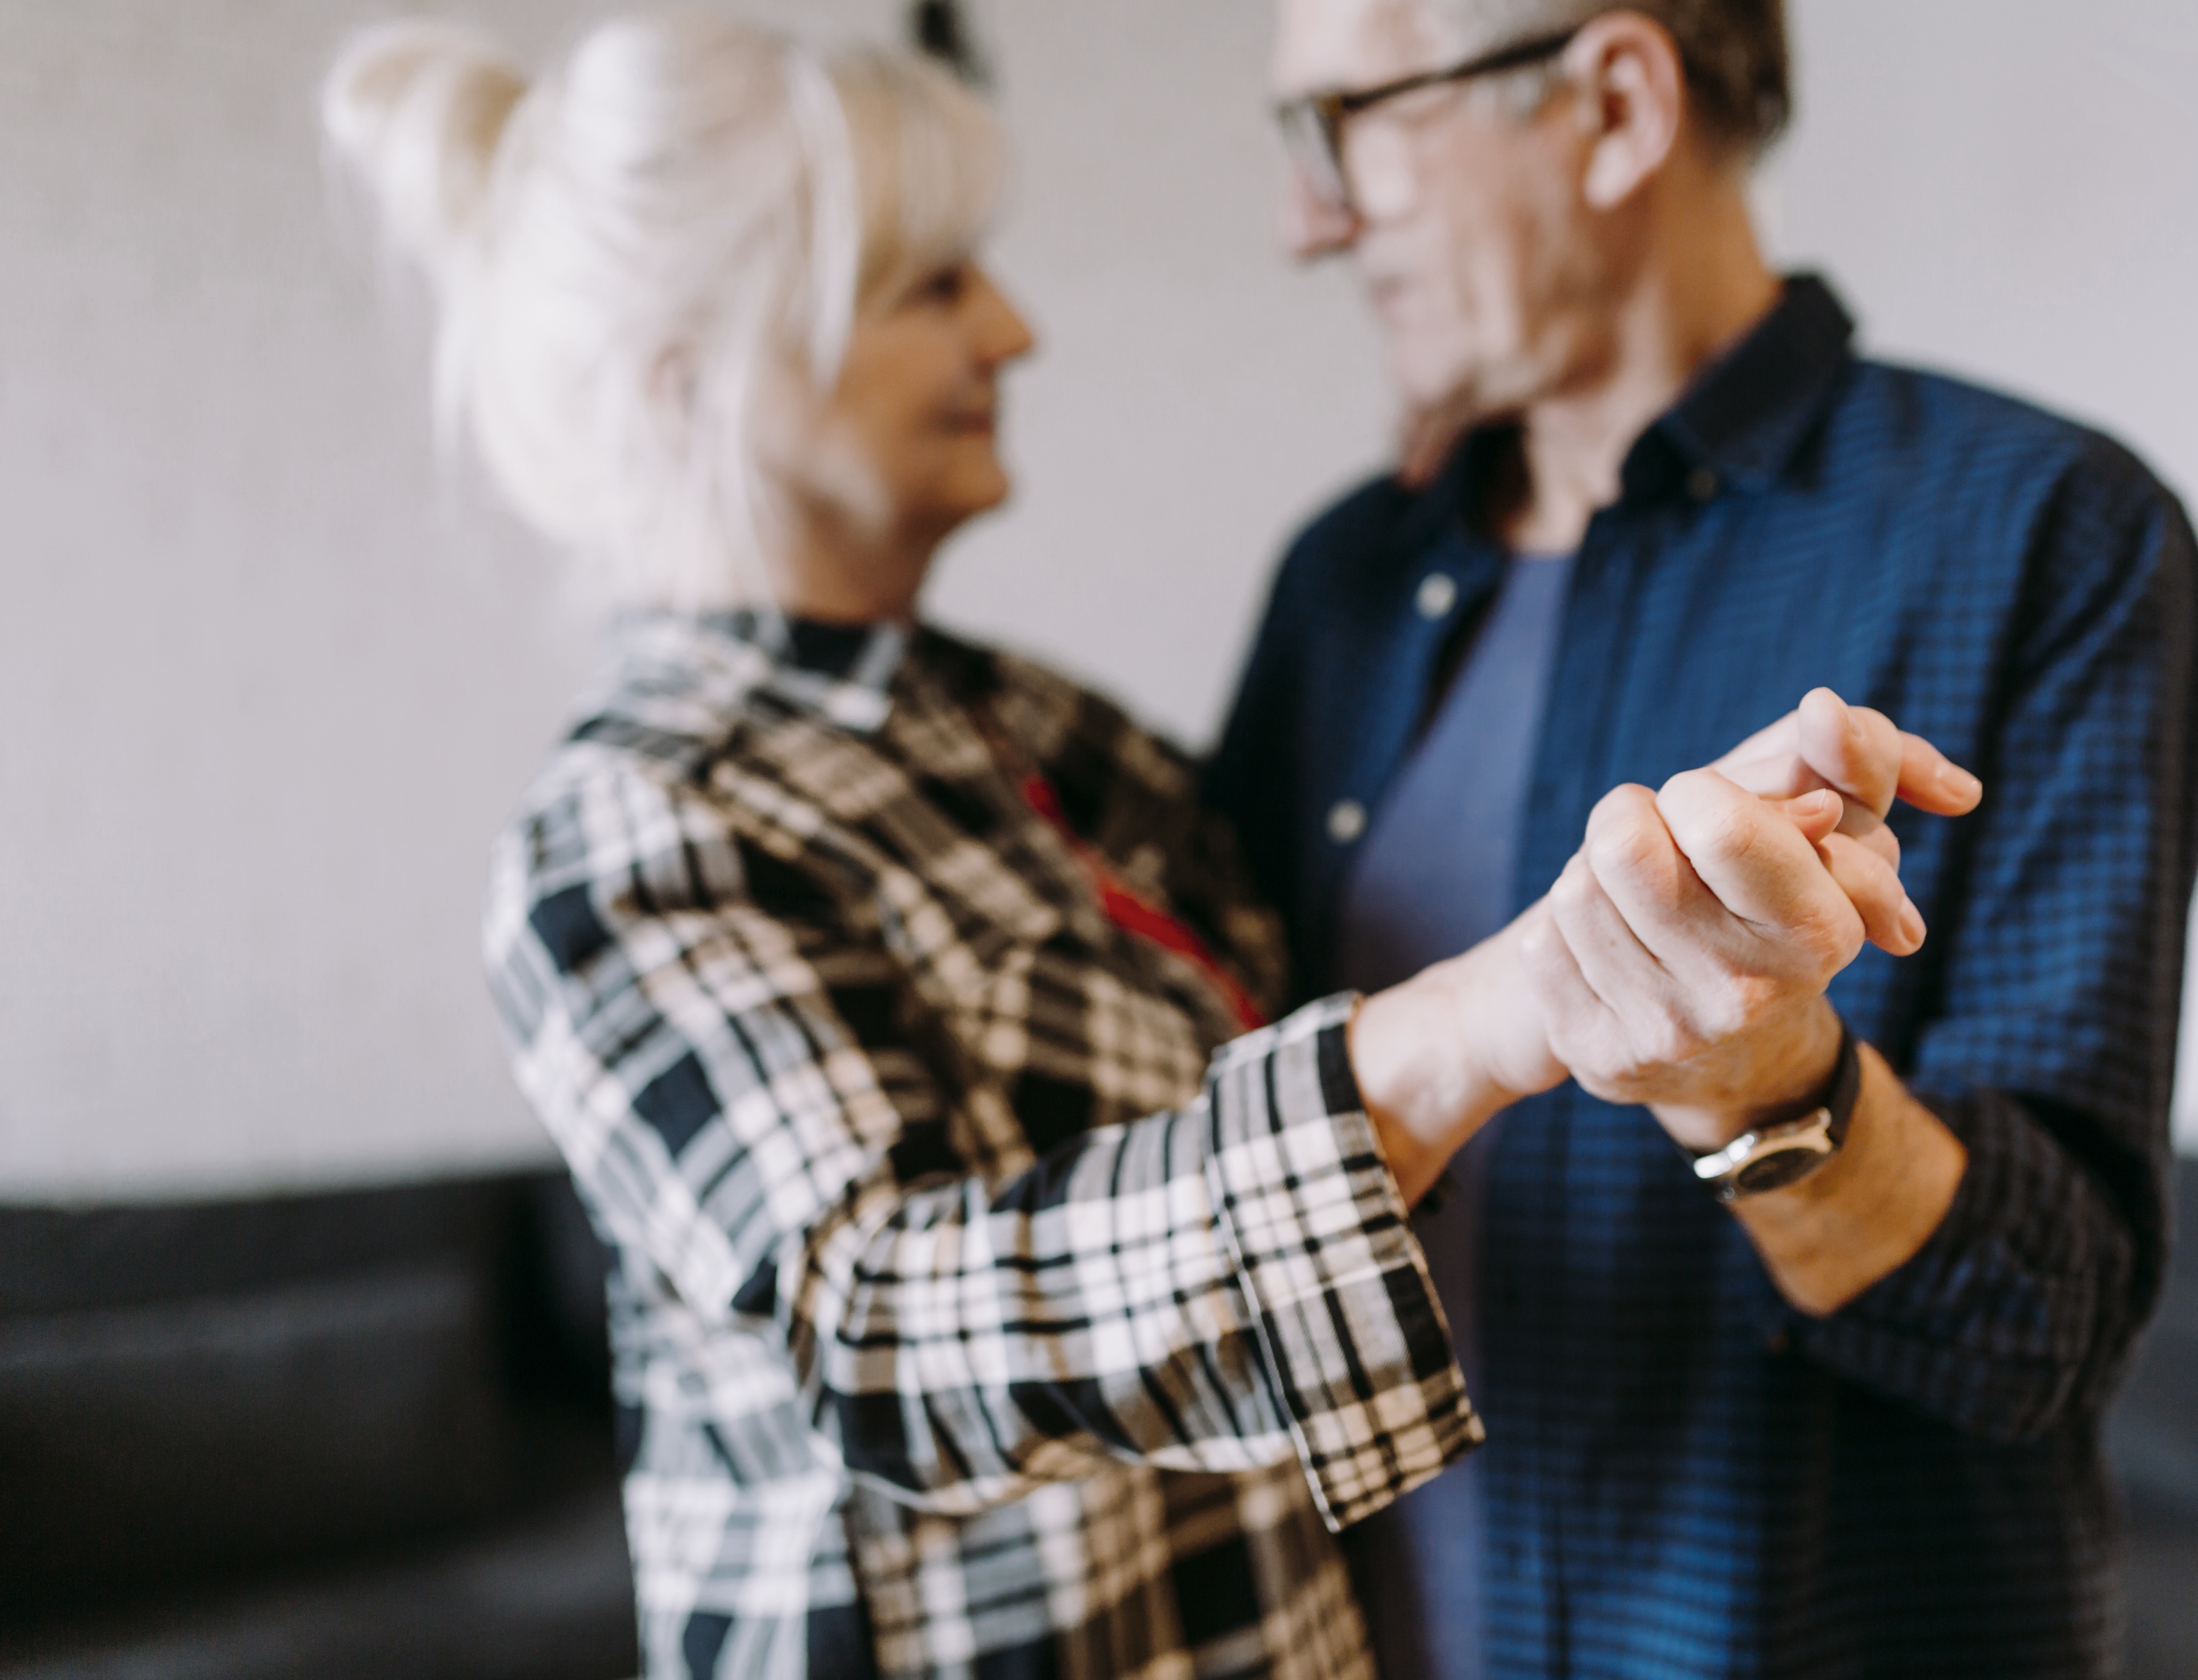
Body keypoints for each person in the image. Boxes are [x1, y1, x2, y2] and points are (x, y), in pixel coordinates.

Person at [322, 13, 1975, 1679]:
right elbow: (878, 1340)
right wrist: (1493, 1012)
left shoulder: (1051, 737)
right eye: (933, 285)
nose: (1017, 328)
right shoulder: (634, 832)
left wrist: (1702, 887)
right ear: (706, 369)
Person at [1206, 1, 2198, 1676]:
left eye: (1346, 130)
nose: (1302, 224)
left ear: (1613, 105)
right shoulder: (1344, 588)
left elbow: (2044, 1329)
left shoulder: (2045, 531)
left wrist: (1762, 1082)